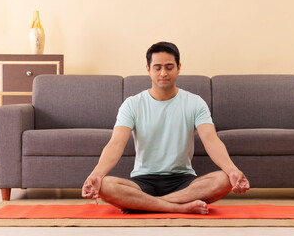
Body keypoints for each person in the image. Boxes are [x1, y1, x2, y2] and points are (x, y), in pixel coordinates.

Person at [82, 42, 250, 214]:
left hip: (183, 181)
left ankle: (144, 205)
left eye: (169, 67)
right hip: (142, 181)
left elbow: (211, 140)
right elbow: (116, 143)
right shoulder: (132, 104)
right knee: (105, 185)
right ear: (148, 69)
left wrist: (233, 171)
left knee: (223, 179)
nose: (163, 73)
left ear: (179, 68)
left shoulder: (195, 102)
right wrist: (96, 174)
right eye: (157, 68)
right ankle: (177, 207)